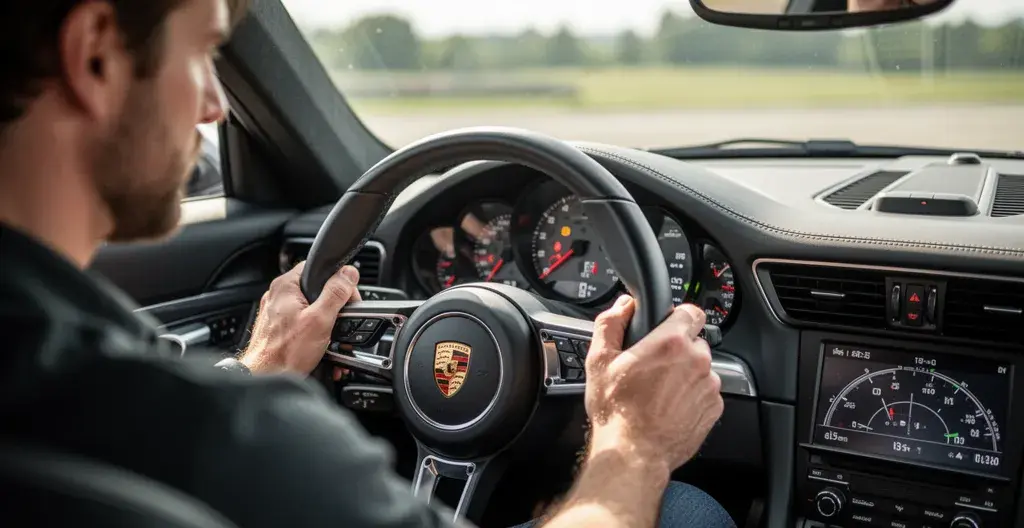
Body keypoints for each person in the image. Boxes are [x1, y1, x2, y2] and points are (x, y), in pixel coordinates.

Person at [0, 1, 734, 527]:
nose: (215, 106)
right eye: (203, 53)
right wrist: (633, 442)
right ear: (95, 51)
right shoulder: (252, 448)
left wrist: (259, 368)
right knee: (689, 511)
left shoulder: (76, 398)